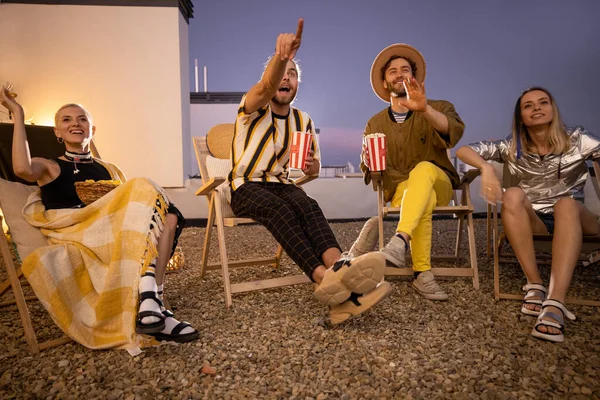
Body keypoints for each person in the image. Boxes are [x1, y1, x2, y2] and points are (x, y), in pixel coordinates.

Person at [1, 83, 198, 349]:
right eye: (66, 119)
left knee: (169, 218)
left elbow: (133, 211)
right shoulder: (49, 166)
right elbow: (22, 168)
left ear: (92, 130)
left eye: (83, 119)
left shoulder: (109, 169)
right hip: (75, 229)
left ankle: (153, 301)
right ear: (57, 132)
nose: (76, 123)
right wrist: (18, 114)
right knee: (145, 187)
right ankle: (154, 302)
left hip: (110, 227)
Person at [227, 19, 391, 324]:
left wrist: (311, 167)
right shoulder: (253, 108)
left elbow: (311, 171)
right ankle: (325, 282)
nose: (286, 78)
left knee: (307, 204)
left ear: (297, 85)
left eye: (292, 74)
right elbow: (264, 86)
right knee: (280, 209)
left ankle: (341, 269)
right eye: (282, 74)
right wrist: (283, 58)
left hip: (281, 183)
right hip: (245, 185)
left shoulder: (303, 120)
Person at [456, 87, 600, 342]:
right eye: (528, 105)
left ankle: (555, 302)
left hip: (577, 217)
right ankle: (535, 284)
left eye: (543, 102)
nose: (536, 108)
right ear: (520, 116)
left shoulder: (577, 138)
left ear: (553, 109)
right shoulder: (512, 146)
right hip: (537, 220)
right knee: (511, 194)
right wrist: (486, 168)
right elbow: (463, 150)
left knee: (565, 204)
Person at [351, 44, 464, 301]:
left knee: (424, 170)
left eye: (405, 69)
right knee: (421, 201)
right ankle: (421, 273)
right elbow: (370, 167)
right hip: (402, 192)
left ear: (415, 77)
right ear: (384, 81)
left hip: (439, 183)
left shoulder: (439, 106)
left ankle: (400, 239)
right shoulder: (375, 122)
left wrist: (425, 109)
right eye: (392, 71)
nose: (399, 74)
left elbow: (452, 130)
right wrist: (367, 160)